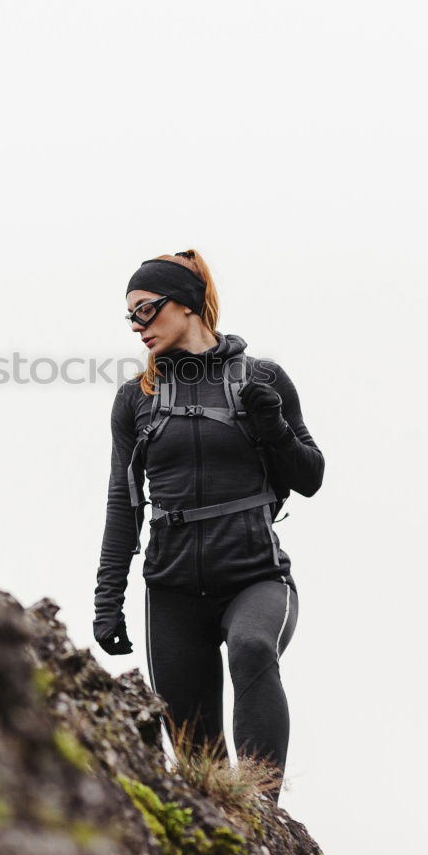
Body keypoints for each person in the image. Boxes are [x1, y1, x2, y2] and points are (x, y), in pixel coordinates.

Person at [92, 249, 325, 802]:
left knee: (251, 648)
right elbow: (122, 506)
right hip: (172, 592)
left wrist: (273, 428)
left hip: (256, 577)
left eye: (145, 310)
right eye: (129, 315)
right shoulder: (135, 399)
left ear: (189, 304)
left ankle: (265, 814)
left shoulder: (263, 378)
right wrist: (108, 599)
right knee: (201, 772)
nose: (135, 326)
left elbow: (311, 477)